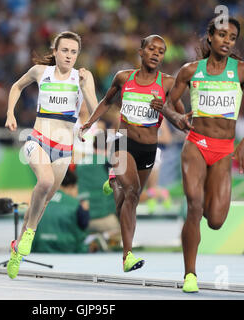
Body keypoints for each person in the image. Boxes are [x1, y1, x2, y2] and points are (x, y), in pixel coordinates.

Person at [151, 17, 244, 292]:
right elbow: (164, 103)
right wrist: (175, 117)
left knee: (214, 220)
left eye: (232, 37)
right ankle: (190, 275)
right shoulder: (191, 71)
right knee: (194, 206)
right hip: (196, 145)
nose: (227, 41)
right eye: (222, 35)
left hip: (224, 150)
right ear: (210, 37)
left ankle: (196, 222)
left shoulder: (243, 71)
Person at [79, 35, 187, 272]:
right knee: (131, 192)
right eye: (152, 48)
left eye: (161, 50)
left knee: (129, 201)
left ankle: (113, 178)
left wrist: (165, 109)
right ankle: (127, 255)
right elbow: (106, 102)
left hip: (148, 148)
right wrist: (89, 123)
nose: (156, 53)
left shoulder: (168, 83)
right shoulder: (123, 77)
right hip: (123, 142)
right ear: (141, 51)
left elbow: (181, 120)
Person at [5, 31, 98, 279]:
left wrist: (87, 125)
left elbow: (95, 107)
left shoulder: (83, 77)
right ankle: (31, 233)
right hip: (38, 139)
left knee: (43, 201)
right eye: (64, 50)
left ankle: (17, 249)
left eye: (73, 52)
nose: (69, 55)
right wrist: (10, 114)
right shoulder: (39, 71)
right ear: (55, 51)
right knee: (44, 182)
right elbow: (16, 87)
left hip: (65, 149)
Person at [31, 169, 90, 253]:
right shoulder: (75, 204)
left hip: (39, 247)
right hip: (68, 248)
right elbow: (84, 224)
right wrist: (86, 211)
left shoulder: (39, 200)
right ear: (70, 187)